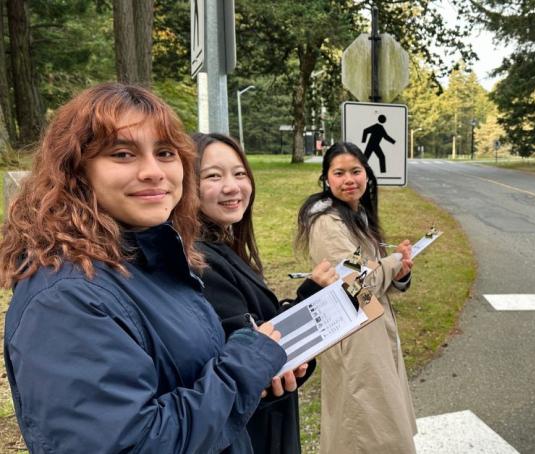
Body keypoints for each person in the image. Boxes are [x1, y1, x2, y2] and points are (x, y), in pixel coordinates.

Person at [0, 83, 289, 453]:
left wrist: (254, 375)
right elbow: (129, 444)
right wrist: (243, 369)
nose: (154, 172)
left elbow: (181, 385)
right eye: (123, 154)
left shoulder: (150, 260)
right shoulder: (66, 297)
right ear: (75, 171)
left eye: (165, 152)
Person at [193, 132, 339, 454]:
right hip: (251, 436)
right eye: (213, 176)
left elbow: (263, 330)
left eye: (240, 173)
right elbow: (252, 360)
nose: (232, 187)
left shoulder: (220, 245)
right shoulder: (200, 262)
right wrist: (311, 306)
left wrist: (311, 294)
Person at [296, 142, 416, 454]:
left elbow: (367, 275)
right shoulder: (327, 223)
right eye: (339, 173)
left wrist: (400, 274)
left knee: (381, 421)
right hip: (355, 338)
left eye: (356, 171)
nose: (349, 179)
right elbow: (356, 280)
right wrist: (393, 263)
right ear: (327, 179)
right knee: (364, 427)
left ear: (367, 175)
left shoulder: (355, 215)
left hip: (372, 327)